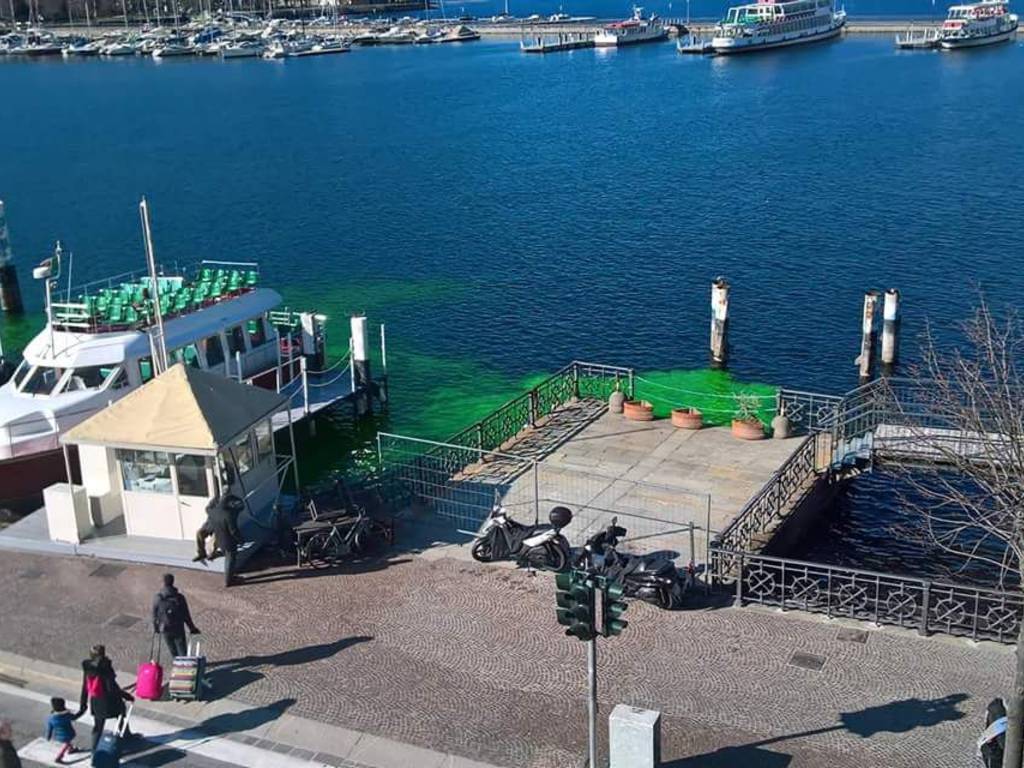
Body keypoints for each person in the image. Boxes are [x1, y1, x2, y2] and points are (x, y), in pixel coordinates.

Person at [76, 645, 134, 752]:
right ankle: (126, 735)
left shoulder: (88, 668)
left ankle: (94, 749)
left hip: (96, 701)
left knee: (98, 727)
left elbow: (85, 687)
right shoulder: (105, 668)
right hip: (110, 701)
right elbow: (112, 687)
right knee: (121, 714)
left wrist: (83, 704)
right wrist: (126, 695)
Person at [194, 468, 244, 587]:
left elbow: (208, 509)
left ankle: (211, 553)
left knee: (217, 539)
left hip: (218, 527)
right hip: (213, 525)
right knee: (199, 533)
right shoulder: (224, 510)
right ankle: (201, 553)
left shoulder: (217, 509)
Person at [152, 573, 200, 658]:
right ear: (173, 582)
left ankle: (176, 664)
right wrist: (192, 628)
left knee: (172, 650)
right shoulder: (179, 598)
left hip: (165, 628)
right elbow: (186, 615)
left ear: (163, 582)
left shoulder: (158, 598)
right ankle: (184, 666)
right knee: (182, 649)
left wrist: (156, 628)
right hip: (178, 627)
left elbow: (154, 616)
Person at [45, 697, 77, 764]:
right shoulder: (67, 715)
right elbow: (74, 717)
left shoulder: (51, 718)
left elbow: (49, 728)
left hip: (57, 735)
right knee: (67, 743)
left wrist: (48, 737)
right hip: (68, 733)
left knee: (67, 742)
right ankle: (59, 757)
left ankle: (71, 749)